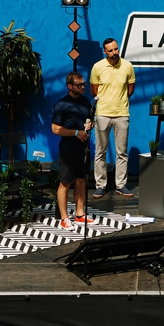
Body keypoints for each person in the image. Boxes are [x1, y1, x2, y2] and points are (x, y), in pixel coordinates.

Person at [90, 38, 136, 198]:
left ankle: (121, 185)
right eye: (110, 50)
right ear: (105, 51)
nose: (114, 52)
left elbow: (130, 89)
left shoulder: (128, 66)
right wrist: (106, 101)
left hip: (122, 114)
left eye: (116, 49)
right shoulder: (97, 67)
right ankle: (100, 185)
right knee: (100, 152)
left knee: (121, 152)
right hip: (102, 114)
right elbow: (93, 90)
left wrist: (119, 101)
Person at [52, 72, 96, 229]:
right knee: (65, 183)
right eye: (79, 85)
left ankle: (79, 214)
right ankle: (64, 218)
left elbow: (89, 120)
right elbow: (55, 129)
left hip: (83, 149)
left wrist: (91, 126)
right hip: (68, 150)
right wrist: (76, 133)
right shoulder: (61, 104)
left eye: (84, 84)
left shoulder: (86, 102)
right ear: (70, 86)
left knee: (81, 181)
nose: (83, 87)